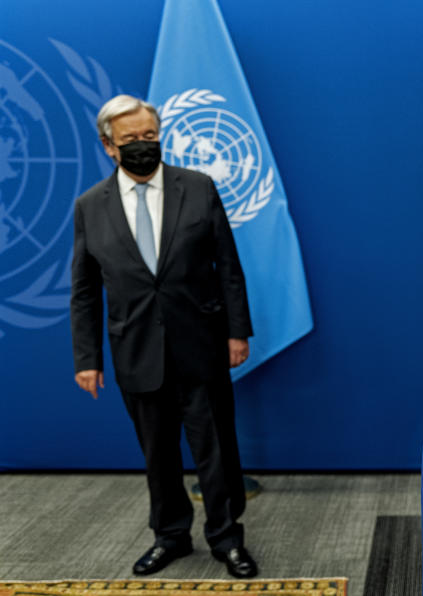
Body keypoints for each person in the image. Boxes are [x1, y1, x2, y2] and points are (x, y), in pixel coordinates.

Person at [70, 95, 258, 578]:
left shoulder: (197, 187)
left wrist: (238, 331)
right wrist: (86, 358)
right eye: (129, 139)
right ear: (108, 146)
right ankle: (170, 535)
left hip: (201, 344)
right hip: (135, 351)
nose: (141, 145)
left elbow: (228, 268)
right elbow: (85, 290)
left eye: (149, 136)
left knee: (214, 448)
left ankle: (226, 538)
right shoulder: (90, 206)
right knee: (158, 453)